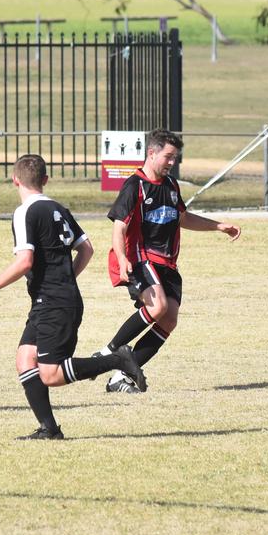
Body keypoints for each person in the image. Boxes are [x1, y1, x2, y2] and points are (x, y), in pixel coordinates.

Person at [0, 154, 146, 439]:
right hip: (53, 299)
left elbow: (25, 261)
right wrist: (65, 280)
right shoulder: (58, 208)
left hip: (55, 302)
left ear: (15, 179)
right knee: (25, 359)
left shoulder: (25, 211)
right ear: (46, 180)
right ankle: (49, 428)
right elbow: (86, 249)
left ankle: (117, 360)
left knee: (50, 374)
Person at [96, 128, 241, 393]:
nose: (172, 163)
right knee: (159, 306)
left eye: (175, 158)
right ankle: (108, 352)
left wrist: (218, 226)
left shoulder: (172, 187)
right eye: (168, 157)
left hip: (168, 264)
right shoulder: (135, 185)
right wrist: (121, 257)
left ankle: (121, 377)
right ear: (152, 153)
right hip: (141, 258)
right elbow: (119, 227)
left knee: (168, 319)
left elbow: (184, 218)